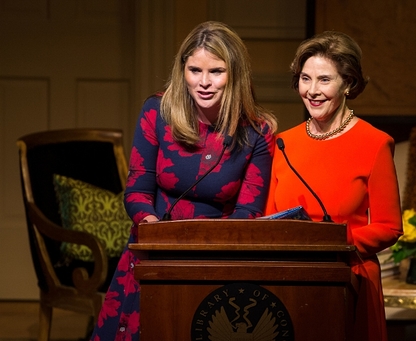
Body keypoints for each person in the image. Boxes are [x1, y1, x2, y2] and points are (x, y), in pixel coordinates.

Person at [90, 21, 277, 340]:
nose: (204, 82)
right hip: (153, 248)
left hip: (217, 256)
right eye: (194, 70)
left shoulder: (257, 132)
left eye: (216, 72)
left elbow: (249, 213)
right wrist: (155, 233)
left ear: (235, 74)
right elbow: (136, 192)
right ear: (183, 70)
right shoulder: (157, 111)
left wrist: (204, 248)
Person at [265, 31, 403, 341]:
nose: (312, 91)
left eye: (324, 80)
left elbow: (389, 226)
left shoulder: (375, 144)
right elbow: (268, 220)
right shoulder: (284, 143)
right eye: (305, 79)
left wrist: (333, 243)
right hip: (287, 281)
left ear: (348, 83)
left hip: (348, 279)